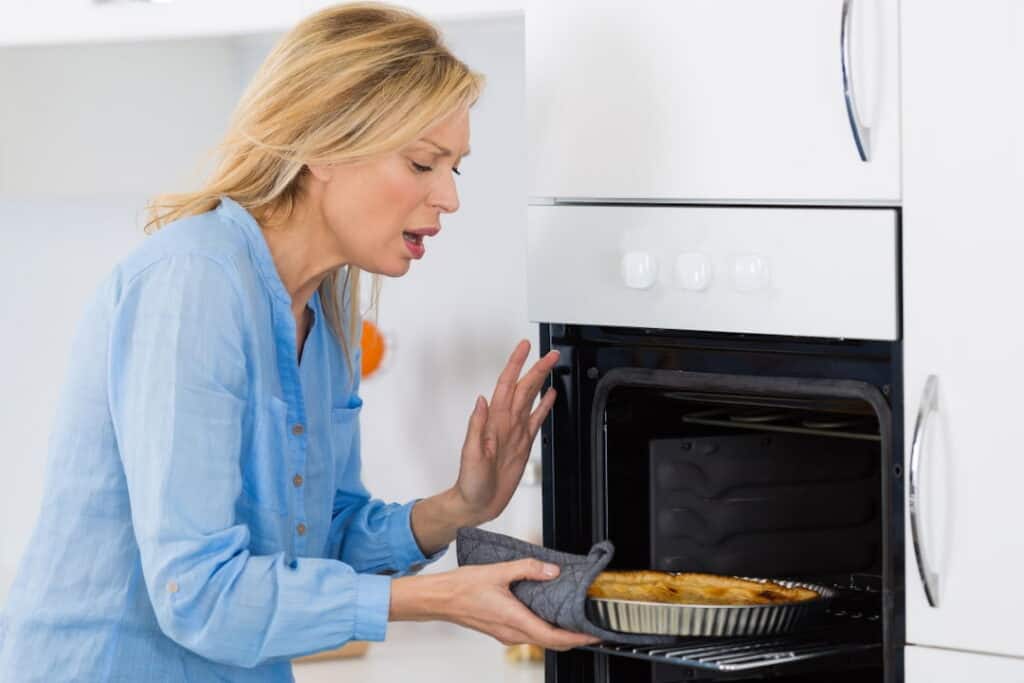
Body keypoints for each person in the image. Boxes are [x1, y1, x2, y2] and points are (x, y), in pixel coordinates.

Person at [0, 4, 599, 681]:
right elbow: (195, 593)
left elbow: (322, 540)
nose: (449, 199)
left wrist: (458, 506)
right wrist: (432, 600)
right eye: (424, 162)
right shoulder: (193, 284)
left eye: (454, 168)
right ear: (323, 145)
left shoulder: (328, 307)